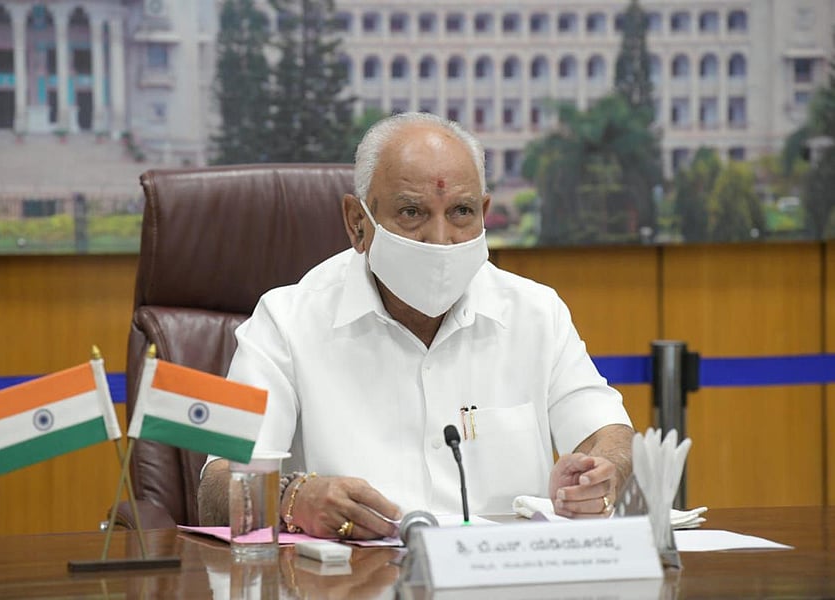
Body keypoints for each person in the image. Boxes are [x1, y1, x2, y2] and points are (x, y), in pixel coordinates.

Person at [198, 112, 633, 540]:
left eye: (461, 211)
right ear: (357, 223)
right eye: (412, 212)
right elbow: (218, 483)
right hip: (350, 585)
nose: (440, 238)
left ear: (484, 213)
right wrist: (295, 497)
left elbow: (608, 433)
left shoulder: (538, 311)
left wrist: (602, 474)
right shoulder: (281, 321)